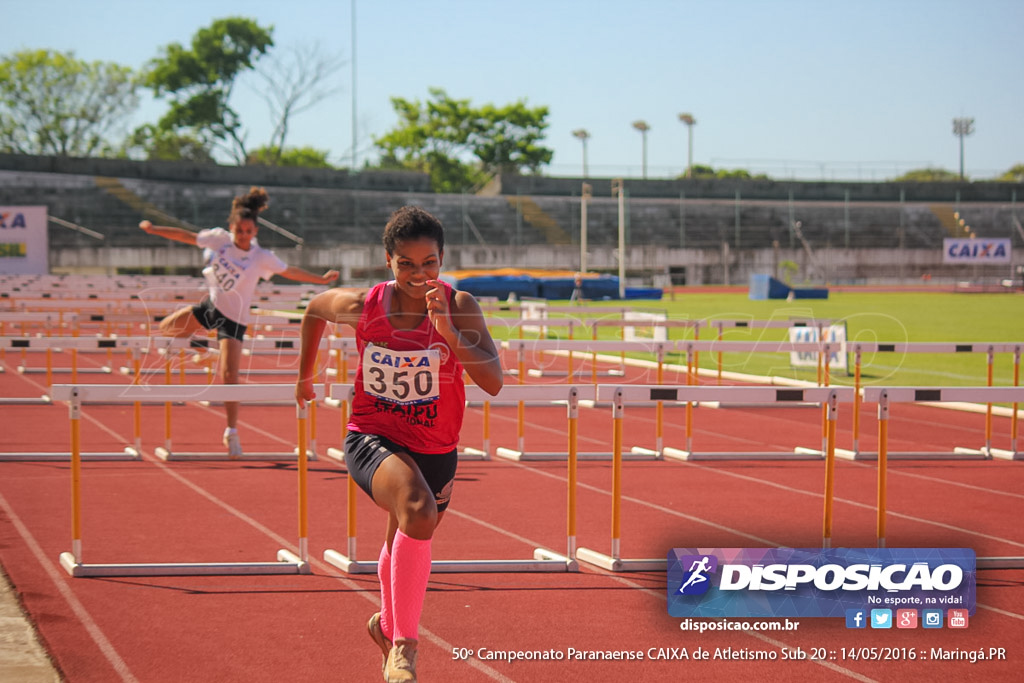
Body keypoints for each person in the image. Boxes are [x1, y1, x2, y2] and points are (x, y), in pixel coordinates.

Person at [295, 206, 503, 682]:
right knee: (417, 509)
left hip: (436, 446)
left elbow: (493, 381)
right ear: (388, 261)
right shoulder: (362, 307)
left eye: (428, 263)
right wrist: (305, 377)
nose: (418, 274)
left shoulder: (461, 306)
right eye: (406, 264)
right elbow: (312, 309)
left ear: (442, 259)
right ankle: (405, 649)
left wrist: (449, 333)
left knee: (406, 530)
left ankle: (386, 626)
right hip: (371, 435)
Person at [140, 186, 339, 458]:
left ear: (255, 231)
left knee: (230, 377)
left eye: (248, 232)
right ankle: (206, 352)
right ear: (231, 228)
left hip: (235, 320)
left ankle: (231, 431)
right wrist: (154, 230)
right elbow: (185, 236)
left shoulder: (261, 257)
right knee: (166, 329)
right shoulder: (218, 240)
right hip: (212, 308)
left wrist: (321, 279)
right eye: (239, 231)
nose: (243, 236)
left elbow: (289, 271)